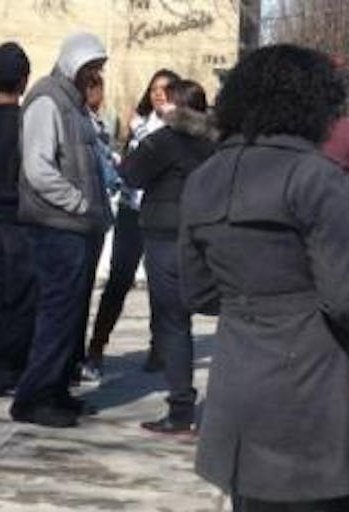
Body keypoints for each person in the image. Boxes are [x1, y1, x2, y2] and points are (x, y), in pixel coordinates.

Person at [180, 44, 349, 511]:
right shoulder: (317, 176)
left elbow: (198, 292)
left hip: (238, 383)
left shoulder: (203, 178)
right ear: (314, 105)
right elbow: (344, 299)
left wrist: (249, 302)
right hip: (312, 387)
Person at [11, 32, 111, 428]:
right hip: (57, 226)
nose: (95, 74)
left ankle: (55, 390)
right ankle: (33, 398)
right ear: (73, 62)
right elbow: (38, 168)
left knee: (70, 317)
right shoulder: (47, 100)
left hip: (76, 227)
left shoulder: (73, 103)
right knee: (56, 316)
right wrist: (78, 202)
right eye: (90, 66)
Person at [118, 79, 216, 434]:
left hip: (164, 235)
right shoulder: (217, 144)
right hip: (207, 236)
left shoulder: (163, 141)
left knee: (173, 322)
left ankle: (180, 408)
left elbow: (130, 173)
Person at [83, 68, 180, 379]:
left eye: (165, 89)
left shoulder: (176, 127)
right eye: (154, 89)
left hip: (159, 213)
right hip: (131, 210)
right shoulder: (140, 123)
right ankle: (96, 347)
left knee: (161, 284)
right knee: (118, 280)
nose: (158, 94)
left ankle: (159, 348)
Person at [0, 41, 34, 395]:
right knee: (19, 299)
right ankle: (8, 370)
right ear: (24, 82)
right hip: (17, 220)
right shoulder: (28, 125)